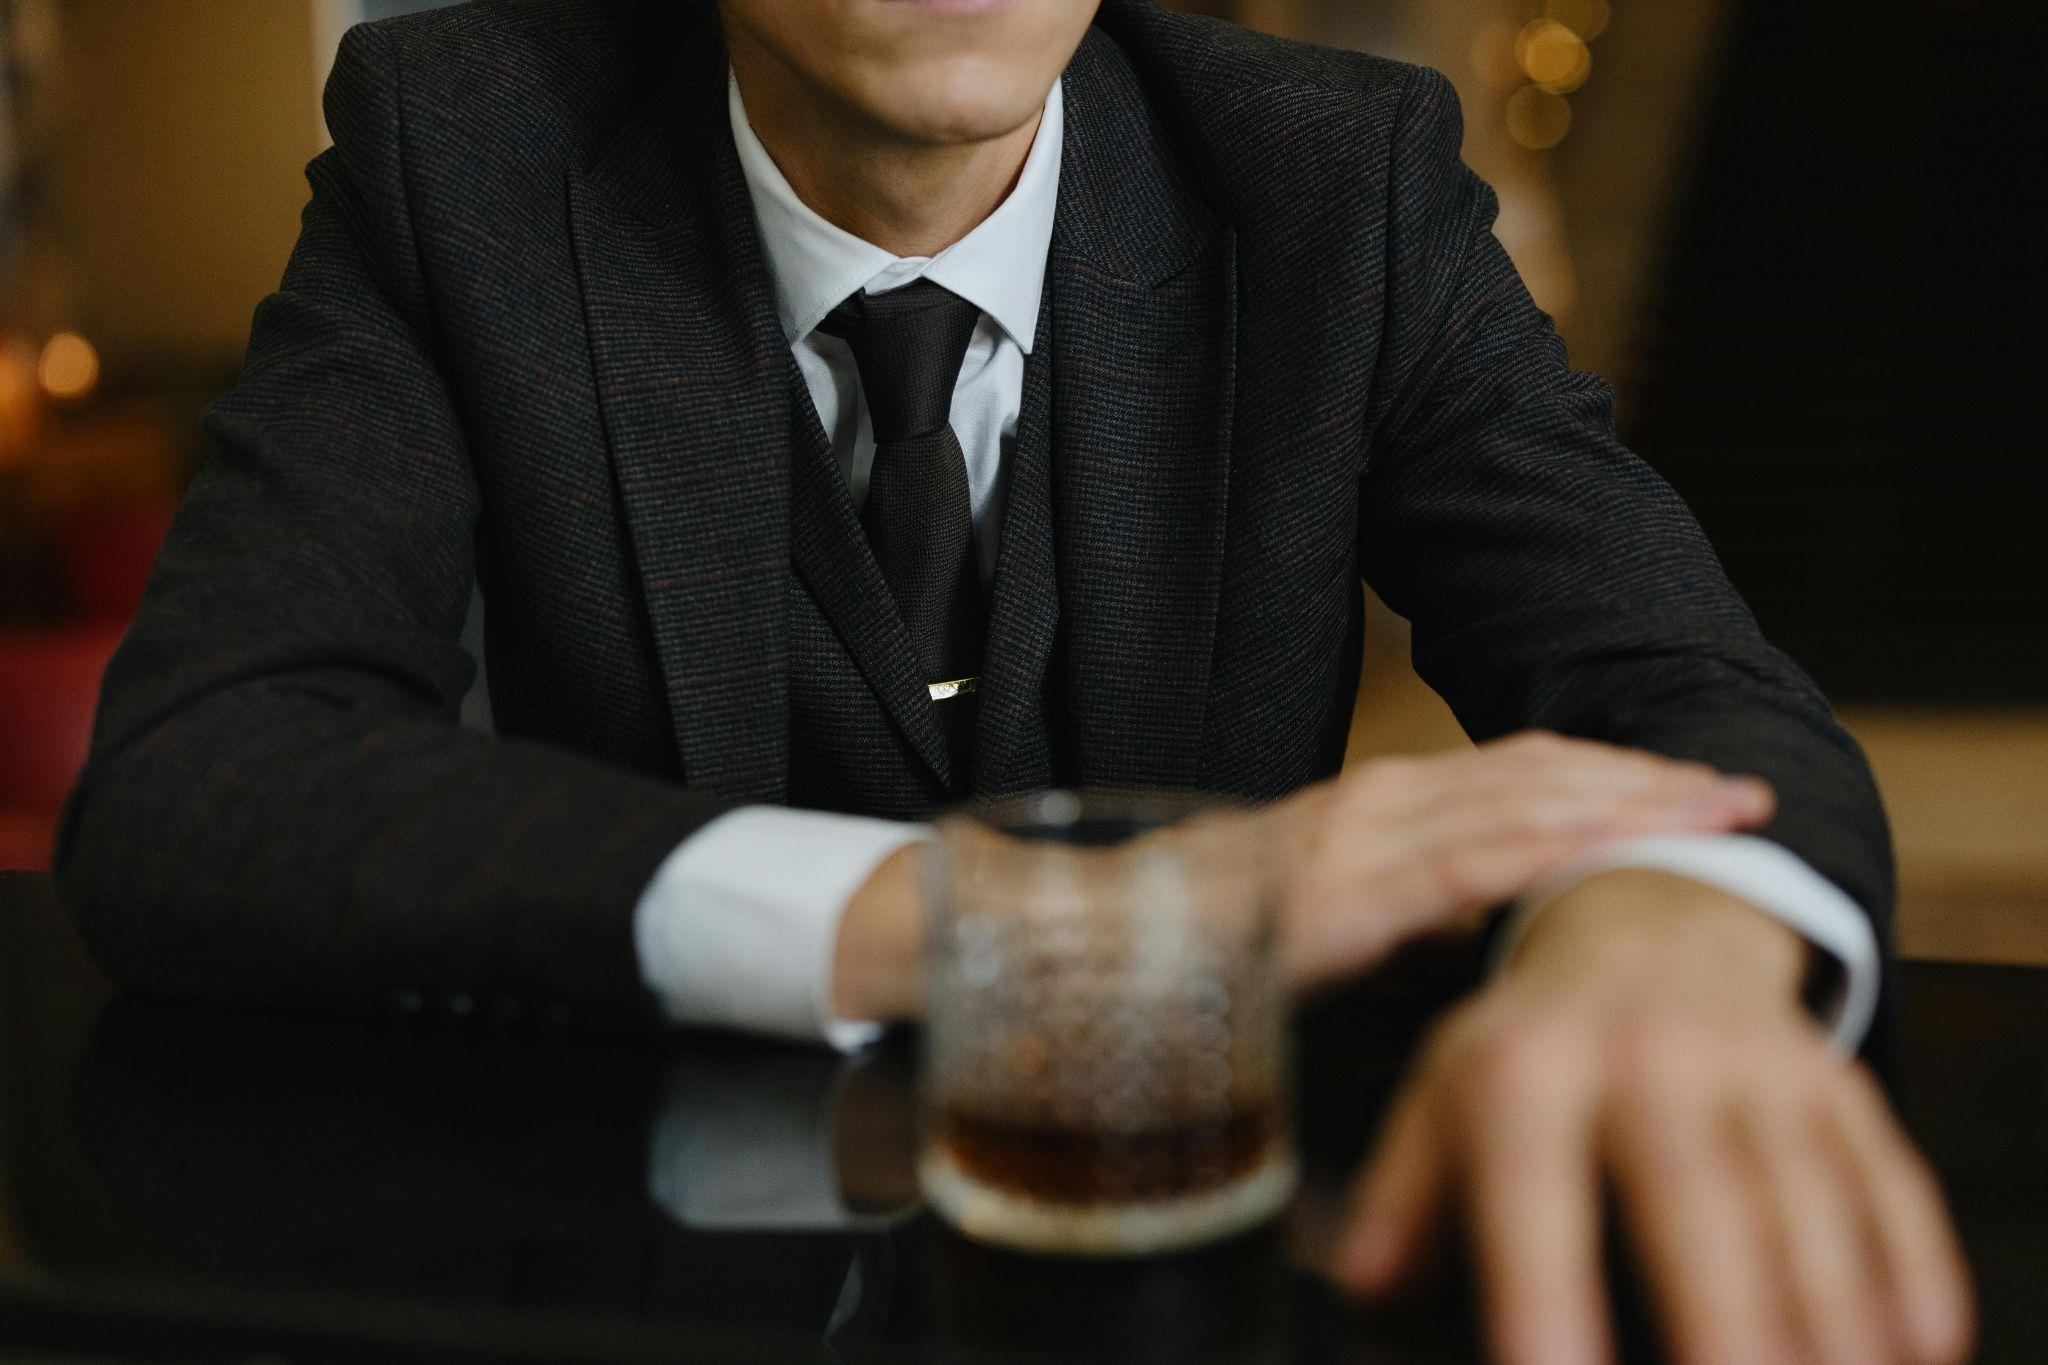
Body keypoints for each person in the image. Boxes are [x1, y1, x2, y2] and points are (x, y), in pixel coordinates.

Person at [57, 1, 1971, 1361]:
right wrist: (1042, 927)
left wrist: (1655, 940)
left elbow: (1685, 684)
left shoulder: (1337, 178)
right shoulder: (454, 137)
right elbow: (205, 767)